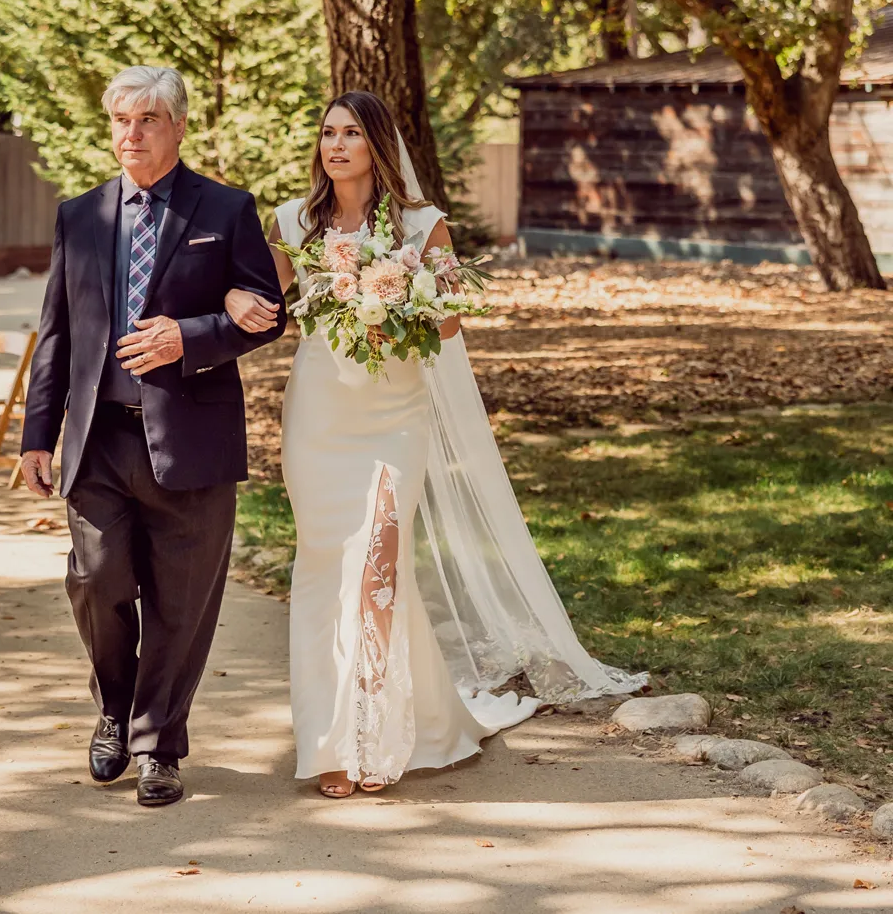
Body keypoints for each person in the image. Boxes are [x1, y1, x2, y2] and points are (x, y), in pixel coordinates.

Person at [225, 91, 644, 797]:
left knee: (378, 569)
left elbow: (449, 326)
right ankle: (330, 742)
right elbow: (261, 301)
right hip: (319, 419)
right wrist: (237, 299)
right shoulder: (295, 222)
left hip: (395, 419)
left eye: (351, 132)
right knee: (328, 572)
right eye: (328, 132)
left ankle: (375, 737)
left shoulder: (423, 225)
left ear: (378, 144)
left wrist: (397, 305)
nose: (336, 144)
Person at [19, 66, 287, 807]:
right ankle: (115, 706)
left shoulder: (226, 209)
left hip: (191, 442)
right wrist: (36, 436)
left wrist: (190, 337)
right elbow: (56, 334)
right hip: (98, 440)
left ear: (177, 126)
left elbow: (270, 313)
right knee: (97, 582)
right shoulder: (80, 215)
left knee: (181, 603)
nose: (130, 135)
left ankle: (158, 746)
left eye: (146, 120)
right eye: (119, 121)